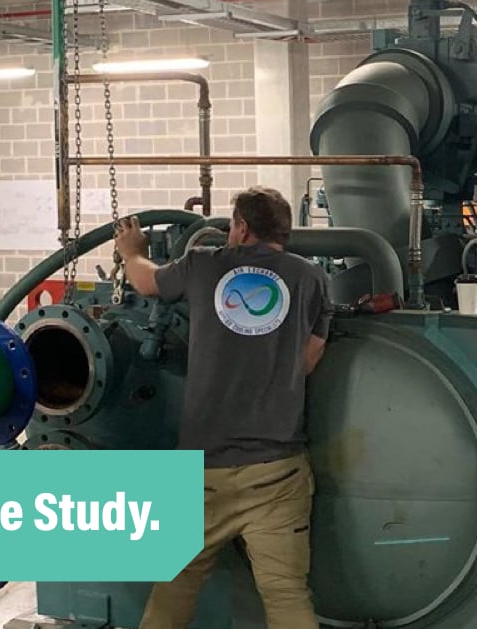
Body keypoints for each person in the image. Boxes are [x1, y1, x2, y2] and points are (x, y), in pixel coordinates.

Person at [113, 186, 331, 629]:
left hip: (202, 471)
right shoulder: (311, 279)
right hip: (277, 472)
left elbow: (144, 281)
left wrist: (130, 249)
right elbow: (308, 360)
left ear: (242, 227)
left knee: (175, 585)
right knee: (287, 594)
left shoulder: (203, 265)